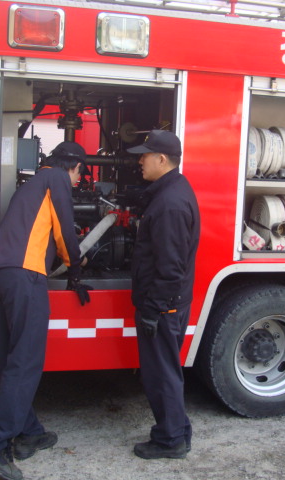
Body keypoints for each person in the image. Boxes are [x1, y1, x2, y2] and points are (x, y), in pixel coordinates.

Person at [0, 141, 91, 480]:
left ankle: (30, 432)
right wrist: (77, 267)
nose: (77, 179)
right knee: (26, 361)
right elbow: (65, 229)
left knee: (12, 359)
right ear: (73, 167)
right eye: (79, 173)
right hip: (25, 275)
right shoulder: (56, 179)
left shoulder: (31, 185)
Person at [127, 130, 200, 460]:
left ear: (161, 159)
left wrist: (152, 309)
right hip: (168, 304)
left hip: (163, 307)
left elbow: (171, 268)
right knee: (166, 371)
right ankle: (179, 432)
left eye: (145, 155)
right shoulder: (171, 191)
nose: (140, 161)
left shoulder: (170, 204)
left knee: (161, 375)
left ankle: (170, 441)